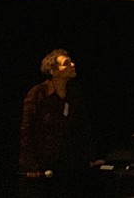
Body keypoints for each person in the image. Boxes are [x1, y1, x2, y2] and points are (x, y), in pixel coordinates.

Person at [18, 49, 101, 198]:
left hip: (68, 165)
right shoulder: (38, 93)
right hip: (43, 164)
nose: (73, 64)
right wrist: (29, 163)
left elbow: (82, 129)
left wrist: (89, 157)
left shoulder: (75, 93)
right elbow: (27, 130)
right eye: (66, 63)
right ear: (53, 71)